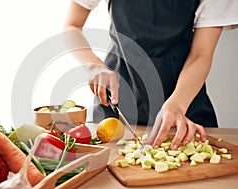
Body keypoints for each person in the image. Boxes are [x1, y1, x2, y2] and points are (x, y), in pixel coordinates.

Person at [63, 0, 238, 149]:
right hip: (119, 98)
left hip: (184, 99)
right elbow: (72, 25)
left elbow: (202, 53)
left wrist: (178, 103)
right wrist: (95, 67)